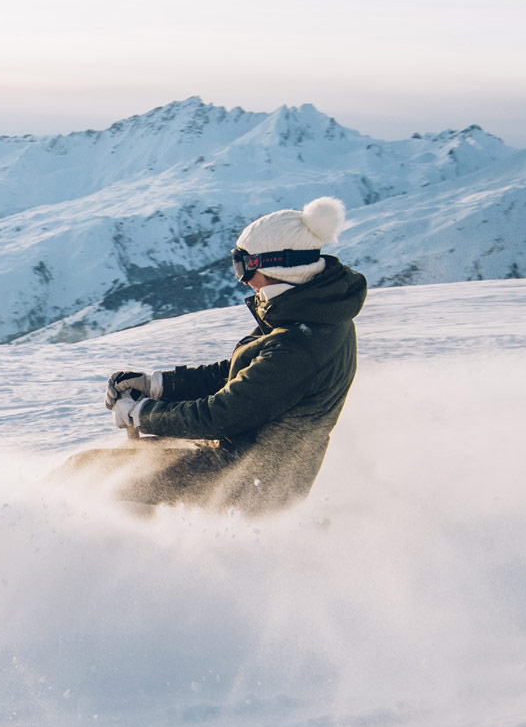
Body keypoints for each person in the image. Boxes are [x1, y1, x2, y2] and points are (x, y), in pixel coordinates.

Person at [61, 196, 367, 514]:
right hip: (238, 459)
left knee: (86, 475)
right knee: (93, 469)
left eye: (244, 267)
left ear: (278, 266)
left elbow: (222, 415)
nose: (243, 280)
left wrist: (142, 412)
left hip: (246, 479)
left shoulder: (301, 342)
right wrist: (157, 385)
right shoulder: (307, 312)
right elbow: (239, 375)